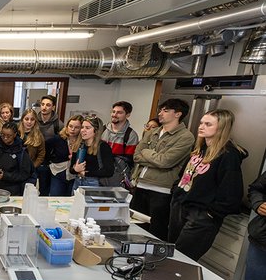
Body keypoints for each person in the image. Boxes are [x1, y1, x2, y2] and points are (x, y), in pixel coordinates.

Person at [168, 109, 247, 261]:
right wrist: (175, 193)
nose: (201, 126)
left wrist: (209, 214)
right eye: (201, 123)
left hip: (201, 216)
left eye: (208, 124)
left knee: (182, 260)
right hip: (180, 207)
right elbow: (183, 175)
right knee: (171, 254)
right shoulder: (199, 150)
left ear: (221, 128)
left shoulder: (229, 155)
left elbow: (232, 193)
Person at [130, 98, 195, 241]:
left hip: (162, 191)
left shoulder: (186, 137)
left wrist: (147, 152)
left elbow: (165, 161)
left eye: (165, 110)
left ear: (178, 114)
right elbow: (136, 156)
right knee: (135, 228)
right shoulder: (152, 132)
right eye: (160, 110)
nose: (160, 113)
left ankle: (152, 262)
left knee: (155, 232)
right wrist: (155, 157)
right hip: (140, 186)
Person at [0, 121, 33, 196]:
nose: (5, 138)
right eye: (2, 135)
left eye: (8, 135)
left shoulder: (21, 151)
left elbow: (24, 174)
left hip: (13, 190)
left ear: (15, 135)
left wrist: (5, 176)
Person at [69, 117, 114, 193]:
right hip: (78, 181)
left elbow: (109, 171)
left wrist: (86, 173)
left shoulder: (103, 146)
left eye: (87, 128)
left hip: (94, 183)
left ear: (95, 131)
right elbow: (71, 169)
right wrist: (75, 169)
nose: (83, 130)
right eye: (82, 127)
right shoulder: (78, 145)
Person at [101, 101, 139, 188]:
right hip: (98, 173)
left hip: (116, 177)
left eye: (119, 112)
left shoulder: (131, 135)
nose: (114, 115)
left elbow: (129, 161)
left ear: (128, 115)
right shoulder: (102, 130)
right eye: (113, 112)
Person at [36, 95, 64, 196]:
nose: (44, 107)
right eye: (42, 104)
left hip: (48, 162)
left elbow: (62, 143)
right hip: (33, 159)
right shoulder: (33, 120)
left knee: (44, 191)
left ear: (53, 107)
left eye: (48, 105)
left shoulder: (58, 124)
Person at [50, 115, 83, 196]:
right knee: (55, 198)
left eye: (76, 127)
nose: (72, 129)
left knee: (71, 200)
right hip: (58, 172)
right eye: (70, 126)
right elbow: (46, 152)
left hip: (74, 175)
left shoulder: (83, 142)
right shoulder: (58, 139)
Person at [18, 108, 46, 185]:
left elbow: (41, 154)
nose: (29, 122)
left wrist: (33, 166)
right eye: (26, 119)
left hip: (30, 171)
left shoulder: (38, 135)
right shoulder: (16, 132)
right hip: (15, 170)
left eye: (32, 119)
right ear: (22, 120)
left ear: (35, 121)